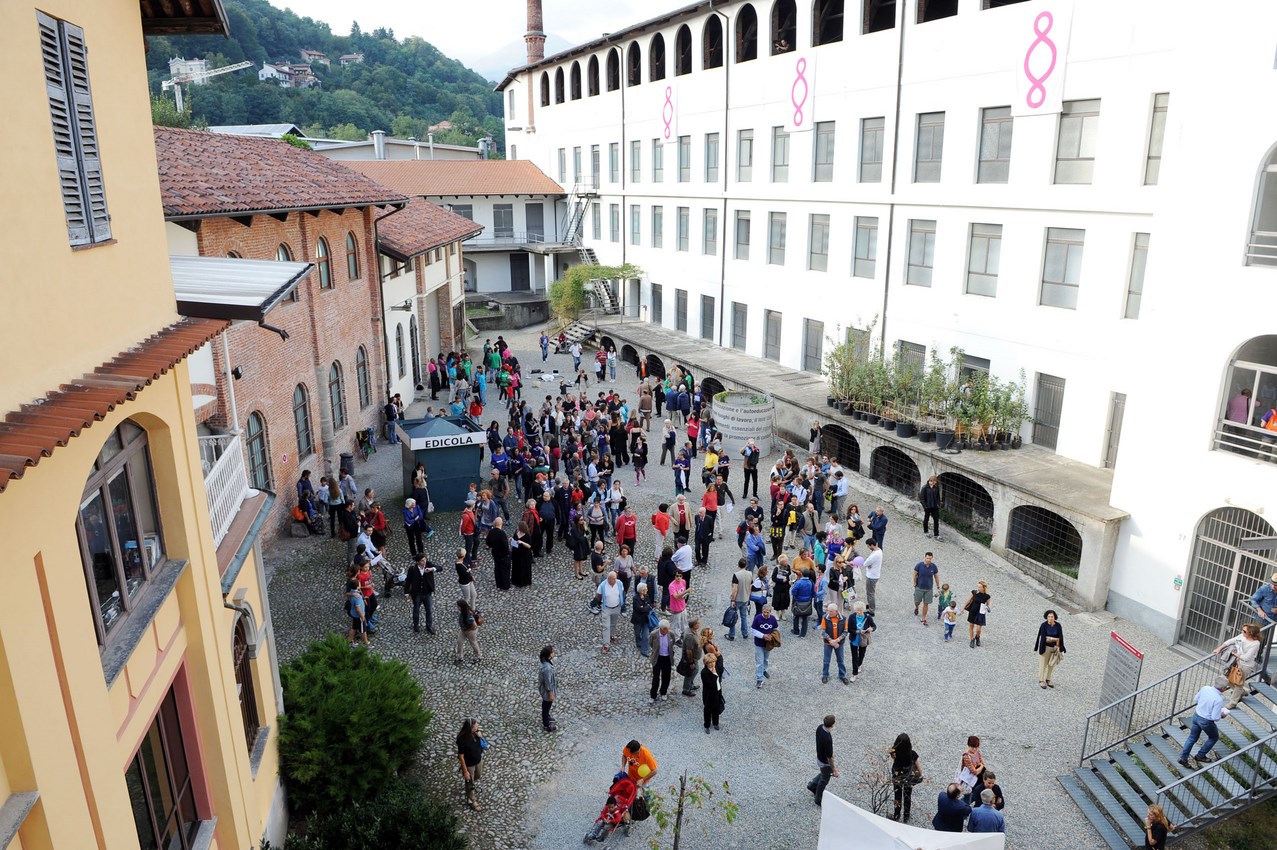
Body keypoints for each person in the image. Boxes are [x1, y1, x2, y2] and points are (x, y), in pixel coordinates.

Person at [1177, 676, 1232, 767]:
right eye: (1226, 687)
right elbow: (1215, 717)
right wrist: (1222, 715)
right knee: (1213, 737)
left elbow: (1196, 699)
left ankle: (1183, 758)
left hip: (1196, 715)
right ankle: (1200, 755)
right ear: (1223, 688)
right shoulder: (1218, 699)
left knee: (1192, 738)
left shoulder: (1205, 688)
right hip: (1206, 721)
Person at [1215, 622, 1263, 708]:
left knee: (1238, 683)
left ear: (1250, 633)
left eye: (1244, 631)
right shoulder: (1242, 636)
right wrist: (1219, 648)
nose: (1242, 632)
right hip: (1236, 662)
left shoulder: (1255, 643)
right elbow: (1230, 641)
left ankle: (1233, 702)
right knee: (1227, 678)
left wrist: (1235, 654)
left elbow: (1246, 657)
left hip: (1245, 665)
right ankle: (1242, 692)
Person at [806, 715, 840, 805]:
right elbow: (829, 758)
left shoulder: (820, 727)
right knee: (824, 780)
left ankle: (812, 786)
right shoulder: (828, 738)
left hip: (819, 757)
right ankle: (818, 799)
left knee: (823, 773)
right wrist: (834, 770)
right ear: (832, 725)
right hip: (825, 763)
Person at [889, 733, 921, 823]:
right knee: (907, 796)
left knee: (897, 795)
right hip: (908, 777)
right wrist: (919, 775)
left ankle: (897, 815)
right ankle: (906, 816)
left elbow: (893, 758)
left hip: (897, 775)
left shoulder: (894, 752)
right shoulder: (913, 754)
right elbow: (919, 769)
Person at [403, 554, 437, 635]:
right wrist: (406, 592)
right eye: (422, 560)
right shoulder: (412, 569)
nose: (424, 561)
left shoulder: (428, 565)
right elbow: (408, 581)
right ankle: (416, 626)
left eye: (425, 559)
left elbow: (439, 568)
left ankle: (429, 626)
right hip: (417, 593)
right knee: (416, 610)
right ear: (418, 562)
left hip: (427, 593)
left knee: (429, 610)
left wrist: (432, 569)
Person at [456, 718, 486, 811]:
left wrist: (480, 736)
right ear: (470, 728)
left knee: (478, 775)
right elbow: (461, 756)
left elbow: (483, 745)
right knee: (470, 782)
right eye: (476, 725)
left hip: (478, 760)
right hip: (469, 764)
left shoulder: (476, 733)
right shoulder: (462, 740)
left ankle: (470, 786)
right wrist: (465, 771)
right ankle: (473, 800)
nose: (477, 727)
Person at [1034, 609, 1067, 688]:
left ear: (1054, 617)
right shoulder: (1044, 625)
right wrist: (1055, 639)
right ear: (1046, 617)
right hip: (1045, 647)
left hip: (1055, 648)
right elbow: (1044, 638)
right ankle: (1041, 680)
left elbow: (1060, 637)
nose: (1050, 618)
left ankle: (1048, 679)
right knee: (1043, 664)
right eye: (1049, 617)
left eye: (1052, 616)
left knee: (1052, 664)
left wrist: (1057, 643)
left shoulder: (1058, 625)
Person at [819, 602, 849, 685]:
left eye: (831, 611)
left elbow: (846, 632)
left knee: (841, 660)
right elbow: (822, 631)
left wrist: (836, 640)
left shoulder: (844, 619)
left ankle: (842, 676)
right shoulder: (825, 618)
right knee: (826, 660)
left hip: (839, 643)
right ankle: (825, 675)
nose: (829, 613)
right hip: (828, 643)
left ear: (836, 611)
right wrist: (831, 641)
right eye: (828, 610)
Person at [751, 603, 779, 689]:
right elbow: (753, 630)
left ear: (770, 612)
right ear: (762, 611)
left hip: (768, 644)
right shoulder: (757, 618)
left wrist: (772, 636)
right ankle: (759, 679)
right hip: (759, 644)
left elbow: (776, 629)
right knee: (759, 662)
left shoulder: (773, 619)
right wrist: (763, 636)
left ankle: (763, 670)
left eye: (767, 612)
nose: (766, 614)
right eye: (764, 612)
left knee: (766, 659)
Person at [598, 570, 626, 652]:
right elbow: (598, 595)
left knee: (613, 623)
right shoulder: (602, 586)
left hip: (617, 607)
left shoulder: (619, 583)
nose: (615, 581)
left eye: (615, 579)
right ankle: (606, 645)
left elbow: (622, 592)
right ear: (608, 579)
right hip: (606, 608)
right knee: (606, 626)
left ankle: (611, 635)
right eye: (613, 579)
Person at [848, 600, 875, 681]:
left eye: (860, 610)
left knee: (862, 654)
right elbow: (849, 629)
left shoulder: (868, 617)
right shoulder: (852, 617)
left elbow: (874, 626)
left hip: (863, 639)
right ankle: (854, 673)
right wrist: (858, 631)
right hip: (854, 639)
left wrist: (871, 629)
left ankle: (859, 664)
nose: (859, 612)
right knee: (854, 657)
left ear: (863, 610)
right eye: (857, 610)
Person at [649, 620, 674, 702]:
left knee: (666, 677)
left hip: (667, 658)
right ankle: (653, 695)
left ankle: (663, 692)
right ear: (661, 629)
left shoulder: (671, 634)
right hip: (657, 658)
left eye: (667, 629)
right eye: (665, 629)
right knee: (656, 678)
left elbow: (672, 643)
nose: (667, 631)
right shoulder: (654, 634)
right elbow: (651, 644)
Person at [913, 552, 939, 625]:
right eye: (927, 558)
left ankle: (923, 617)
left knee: (926, 603)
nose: (928, 560)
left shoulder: (934, 567)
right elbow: (915, 574)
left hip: (928, 588)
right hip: (919, 587)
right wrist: (915, 583)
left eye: (930, 559)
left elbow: (936, 576)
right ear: (925, 557)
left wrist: (938, 586)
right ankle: (916, 607)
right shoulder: (919, 565)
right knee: (917, 601)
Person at [679, 617, 703, 696]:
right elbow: (688, 651)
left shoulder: (692, 630)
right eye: (698, 623)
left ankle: (690, 685)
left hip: (695, 657)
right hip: (692, 658)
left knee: (694, 671)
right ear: (694, 625)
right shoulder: (690, 636)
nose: (700, 624)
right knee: (691, 672)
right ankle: (686, 689)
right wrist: (691, 662)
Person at [487, 516, 512, 590]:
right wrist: (508, 553)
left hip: (495, 553)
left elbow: (488, 542)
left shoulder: (491, 532)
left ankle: (499, 584)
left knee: (497, 568)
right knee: (504, 569)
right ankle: (505, 585)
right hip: (503, 554)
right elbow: (505, 546)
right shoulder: (502, 533)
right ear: (501, 524)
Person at [964, 580, 992, 647]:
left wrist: (987, 606)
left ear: (983, 588)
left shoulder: (987, 596)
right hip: (972, 611)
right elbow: (968, 600)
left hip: (980, 613)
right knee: (971, 626)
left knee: (979, 629)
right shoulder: (974, 593)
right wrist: (963, 608)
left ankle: (977, 637)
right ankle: (972, 639)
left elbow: (988, 603)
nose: (978, 588)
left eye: (979, 587)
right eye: (978, 587)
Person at [701, 653, 724, 733]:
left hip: (717, 691)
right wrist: (714, 674)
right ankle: (706, 725)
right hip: (708, 695)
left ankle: (715, 723)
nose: (712, 664)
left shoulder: (716, 668)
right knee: (708, 710)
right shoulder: (704, 672)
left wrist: (719, 654)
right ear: (706, 663)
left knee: (716, 708)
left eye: (713, 662)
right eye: (710, 662)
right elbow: (711, 684)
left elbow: (721, 667)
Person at [455, 599, 481, 666]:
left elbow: (474, 625)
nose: (457, 607)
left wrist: (470, 631)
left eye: (458, 606)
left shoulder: (468, 614)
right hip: (463, 630)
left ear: (461, 607)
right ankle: (460, 657)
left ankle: (478, 657)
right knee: (459, 641)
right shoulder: (463, 612)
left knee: (473, 643)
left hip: (469, 631)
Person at [631, 581, 654, 656]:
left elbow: (650, 605)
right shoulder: (635, 598)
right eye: (645, 589)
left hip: (646, 620)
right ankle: (638, 642)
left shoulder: (647, 596)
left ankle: (644, 650)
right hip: (638, 620)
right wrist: (645, 607)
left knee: (646, 636)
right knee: (637, 633)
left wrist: (645, 607)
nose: (647, 590)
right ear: (642, 591)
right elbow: (639, 609)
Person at [538, 645, 558, 733]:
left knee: (546, 705)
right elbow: (548, 682)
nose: (554, 652)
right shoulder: (547, 668)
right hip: (547, 691)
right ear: (549, 655)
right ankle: (546, 724)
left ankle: (546, 717)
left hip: (546, 689)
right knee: (546, 706)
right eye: (552, 651)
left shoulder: (545, 663)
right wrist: (550, 692)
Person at [791, 568, 815, 637]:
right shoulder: (811, 582)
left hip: (798, 601)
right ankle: (803, 633)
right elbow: (813, 593)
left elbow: (793, 591)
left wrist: (796, 596)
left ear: (801, 574)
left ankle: (796, 631)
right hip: (807, 602)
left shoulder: (798, 582)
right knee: (805, 618)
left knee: (796, 616)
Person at [345, 577, 369, 647]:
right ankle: (366, 642)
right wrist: (362, 617)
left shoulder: (352, 592)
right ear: (357, 586)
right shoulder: (357, 596)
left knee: (354, 628)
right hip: (359, 615)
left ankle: (349, 640)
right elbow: (358, 608)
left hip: (354, 614)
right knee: (363, 629)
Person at [919, 475, 943, 541]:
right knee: (926, 519)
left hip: (934, 506)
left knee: (936, 520)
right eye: (934, 481)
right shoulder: (925, 488)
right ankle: (926, 531)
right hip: (928, 506)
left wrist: (938, 504)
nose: (935, 483)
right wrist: (925, 506)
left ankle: (936, 534)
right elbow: (922, 498)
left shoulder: (936, 487)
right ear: (931, 481)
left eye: (936, 482)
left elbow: (938, 497)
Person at [863, 539, 882, 614]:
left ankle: (871, 610)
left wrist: (868, 565)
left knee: (870, 593)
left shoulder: (874, 555)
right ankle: (871, 605)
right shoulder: (879, 550)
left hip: (871, 576)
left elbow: (865, 564)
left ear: (871, 545)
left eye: (868, 545)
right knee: (871, 592)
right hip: (875, 574)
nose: (868, 547)